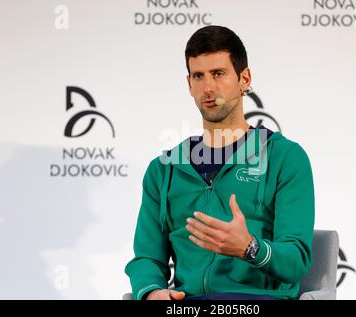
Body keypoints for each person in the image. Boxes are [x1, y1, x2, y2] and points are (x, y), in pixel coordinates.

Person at [125, 25, 315, 300]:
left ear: (244, 78)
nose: (208, 87)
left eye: (219, 74)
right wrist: (152, 291)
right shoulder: (163, 169)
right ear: (189, 84)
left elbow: (296, 261)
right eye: (198, 76)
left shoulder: (285, 158)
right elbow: (146, 258)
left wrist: (249, 247)